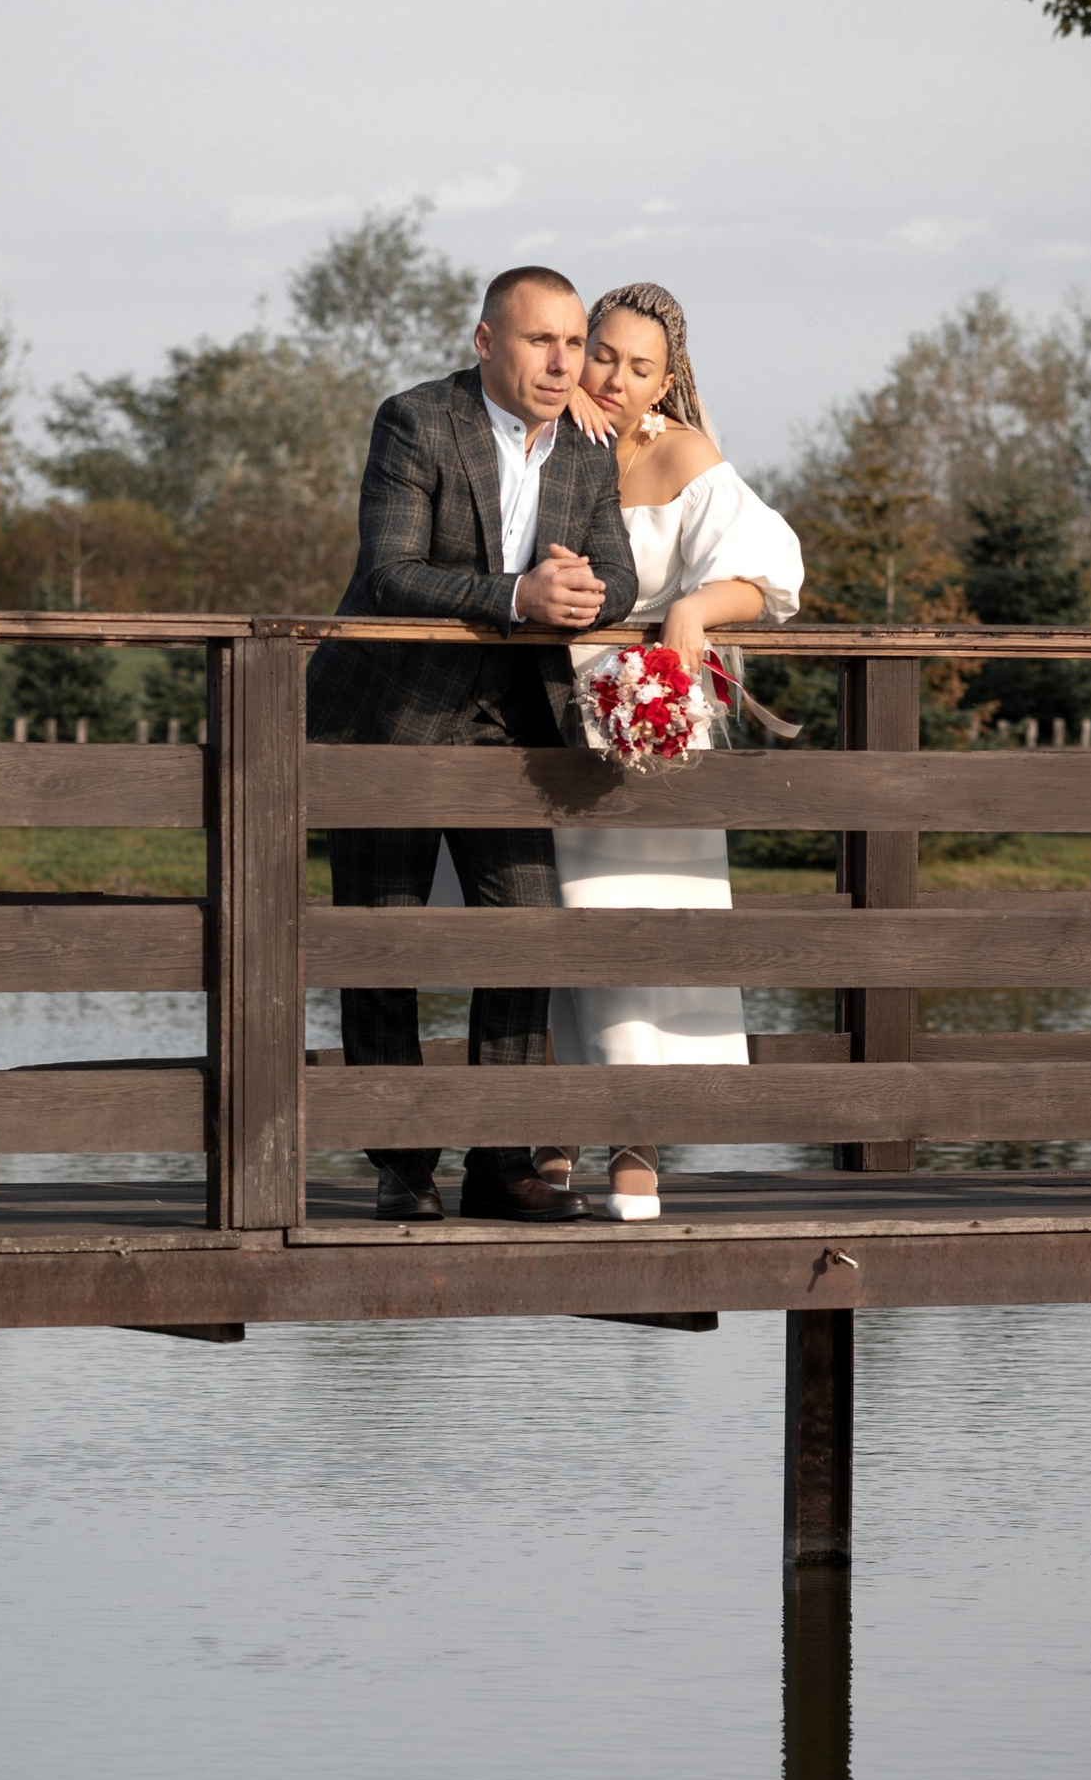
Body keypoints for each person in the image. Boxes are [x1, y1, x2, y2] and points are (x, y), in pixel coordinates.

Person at [308, 266, 639, 1223]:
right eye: (542, 341)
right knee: (384, 945)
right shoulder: (415, 420)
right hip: (390, 720)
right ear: (487, 341)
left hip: (514, 729)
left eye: (574, 343)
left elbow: (614, 572)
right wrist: (515, 595)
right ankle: (403, 1167)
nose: (563, 361)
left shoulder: (584, 449)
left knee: (526, 934)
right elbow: (392, 572)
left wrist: (585, 590)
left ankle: (500, 1164)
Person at [541, 283, 806, 1218]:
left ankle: (637, 1144)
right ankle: (552, 1133)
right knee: (550, 930)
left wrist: (693, 607)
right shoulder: (544, 440)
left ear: (667, 380)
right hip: (540, 723)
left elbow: (775, 570)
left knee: (635, 926)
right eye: (600, 353)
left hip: (636, 724)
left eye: (638, 366)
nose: (612, 377)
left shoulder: (681, 454)